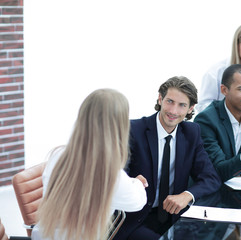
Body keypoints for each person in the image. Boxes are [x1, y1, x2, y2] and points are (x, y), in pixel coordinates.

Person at [32, 89, 147, 240]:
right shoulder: (111, 176)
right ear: (120, 126)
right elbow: (137, 203)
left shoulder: (58, 155)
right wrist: (137, 183)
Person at [115, 76, 221, 240]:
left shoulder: (191, 132)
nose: (173, 111)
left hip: (175, 218)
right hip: (136, 220)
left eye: (182, 105)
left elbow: (211, 178)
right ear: (160, 98)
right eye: (169, 101)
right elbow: (116, 177)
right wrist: (133, 182)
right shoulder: (133, 130)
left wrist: (187, 195)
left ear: (191, 108)